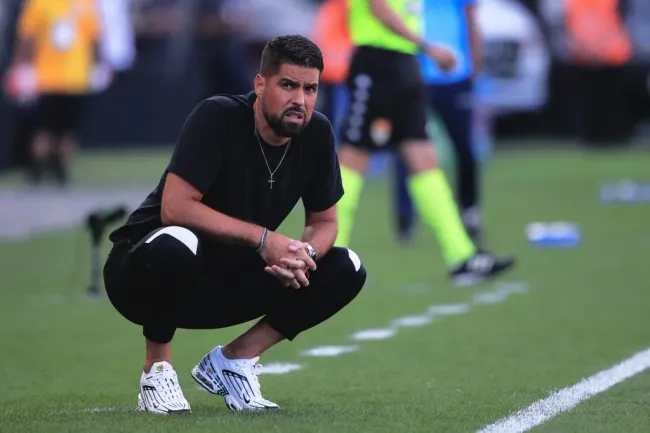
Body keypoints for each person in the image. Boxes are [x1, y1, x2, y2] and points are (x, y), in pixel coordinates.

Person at [103, 35, 367, 414]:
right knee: (178, 242)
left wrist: (302, 254)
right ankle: (157, 370)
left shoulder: (317, 132)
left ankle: (234, 360)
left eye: (311, 89)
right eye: (288, 85)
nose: (300, 100)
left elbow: (324, 221)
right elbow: (175, 208)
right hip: (142, 276)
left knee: (346, 267)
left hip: (224, 280)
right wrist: (264, 239)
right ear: (260, 84)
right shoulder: (218, 116)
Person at [336, 0, 514, 284]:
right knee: (353, 159)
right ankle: (327, 261)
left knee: (425, 159)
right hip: (376, 63)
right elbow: (377, 7)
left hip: (404, 65)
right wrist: (428, 47)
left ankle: (461, 258)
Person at [393, 0, 484, 244]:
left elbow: (471, 19)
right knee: (408, 149)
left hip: (454, 74)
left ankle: (469, 211)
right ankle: (405, 217)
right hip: (415, 75)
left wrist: (475, 64)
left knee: (464, 147)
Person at [7, 0, 102, 186]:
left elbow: (93, 36)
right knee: (43, 128)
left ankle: (61, 171)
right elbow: (28, 37)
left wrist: (97, 64)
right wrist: (23, 66)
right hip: (47, 78)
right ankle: (37, 170)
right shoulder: (40, 4)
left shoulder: (86, 3)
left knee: (68, 130)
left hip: (76, 78)